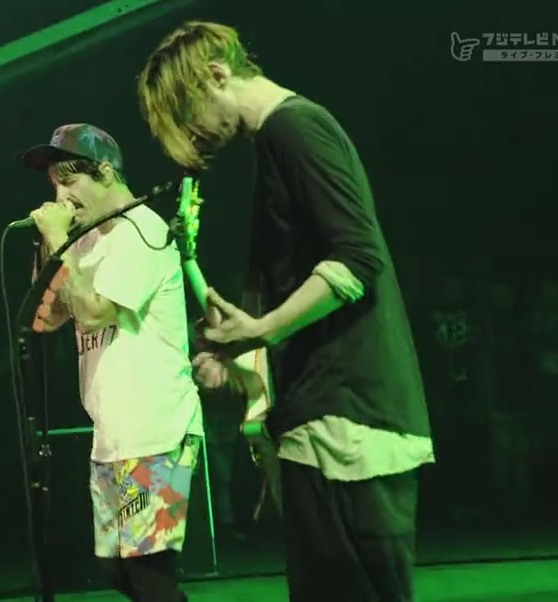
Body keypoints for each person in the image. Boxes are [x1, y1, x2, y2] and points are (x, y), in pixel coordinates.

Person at [138, 22, 434, 601]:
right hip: (323, 419)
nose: (195, 137)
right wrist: (238, 345)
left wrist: (261, 329)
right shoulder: (278, 140)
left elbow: (357, 258)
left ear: (216, 75)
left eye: (190, 116)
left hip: (348, 421)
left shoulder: (295, 128)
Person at [22, 123, 204, 601]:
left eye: (69, 181)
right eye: (54, 185)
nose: (61, 196)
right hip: (112, 436)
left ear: (105, 171)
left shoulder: (142, 230)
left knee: (148, 572)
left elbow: (95, 311)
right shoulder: (85, 241)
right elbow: (46, 318)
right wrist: (52, 244)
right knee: (115, 571)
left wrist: (60, 241)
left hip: (156, 431)